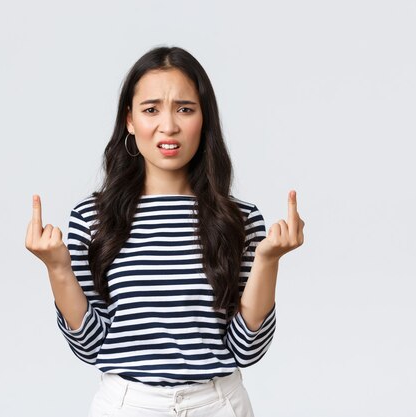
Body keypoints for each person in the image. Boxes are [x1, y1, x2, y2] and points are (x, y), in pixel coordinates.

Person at [25, 46, 305, 417]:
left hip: (218, 405)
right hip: (127, 406)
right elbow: (91, 346)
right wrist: (57, 268)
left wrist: (269, 259)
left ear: (204, 119)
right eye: (151, 109)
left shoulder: (240, 219)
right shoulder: (92, 218)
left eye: (185, 109)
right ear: (129, 120)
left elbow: (246, 350)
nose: (168, 125)